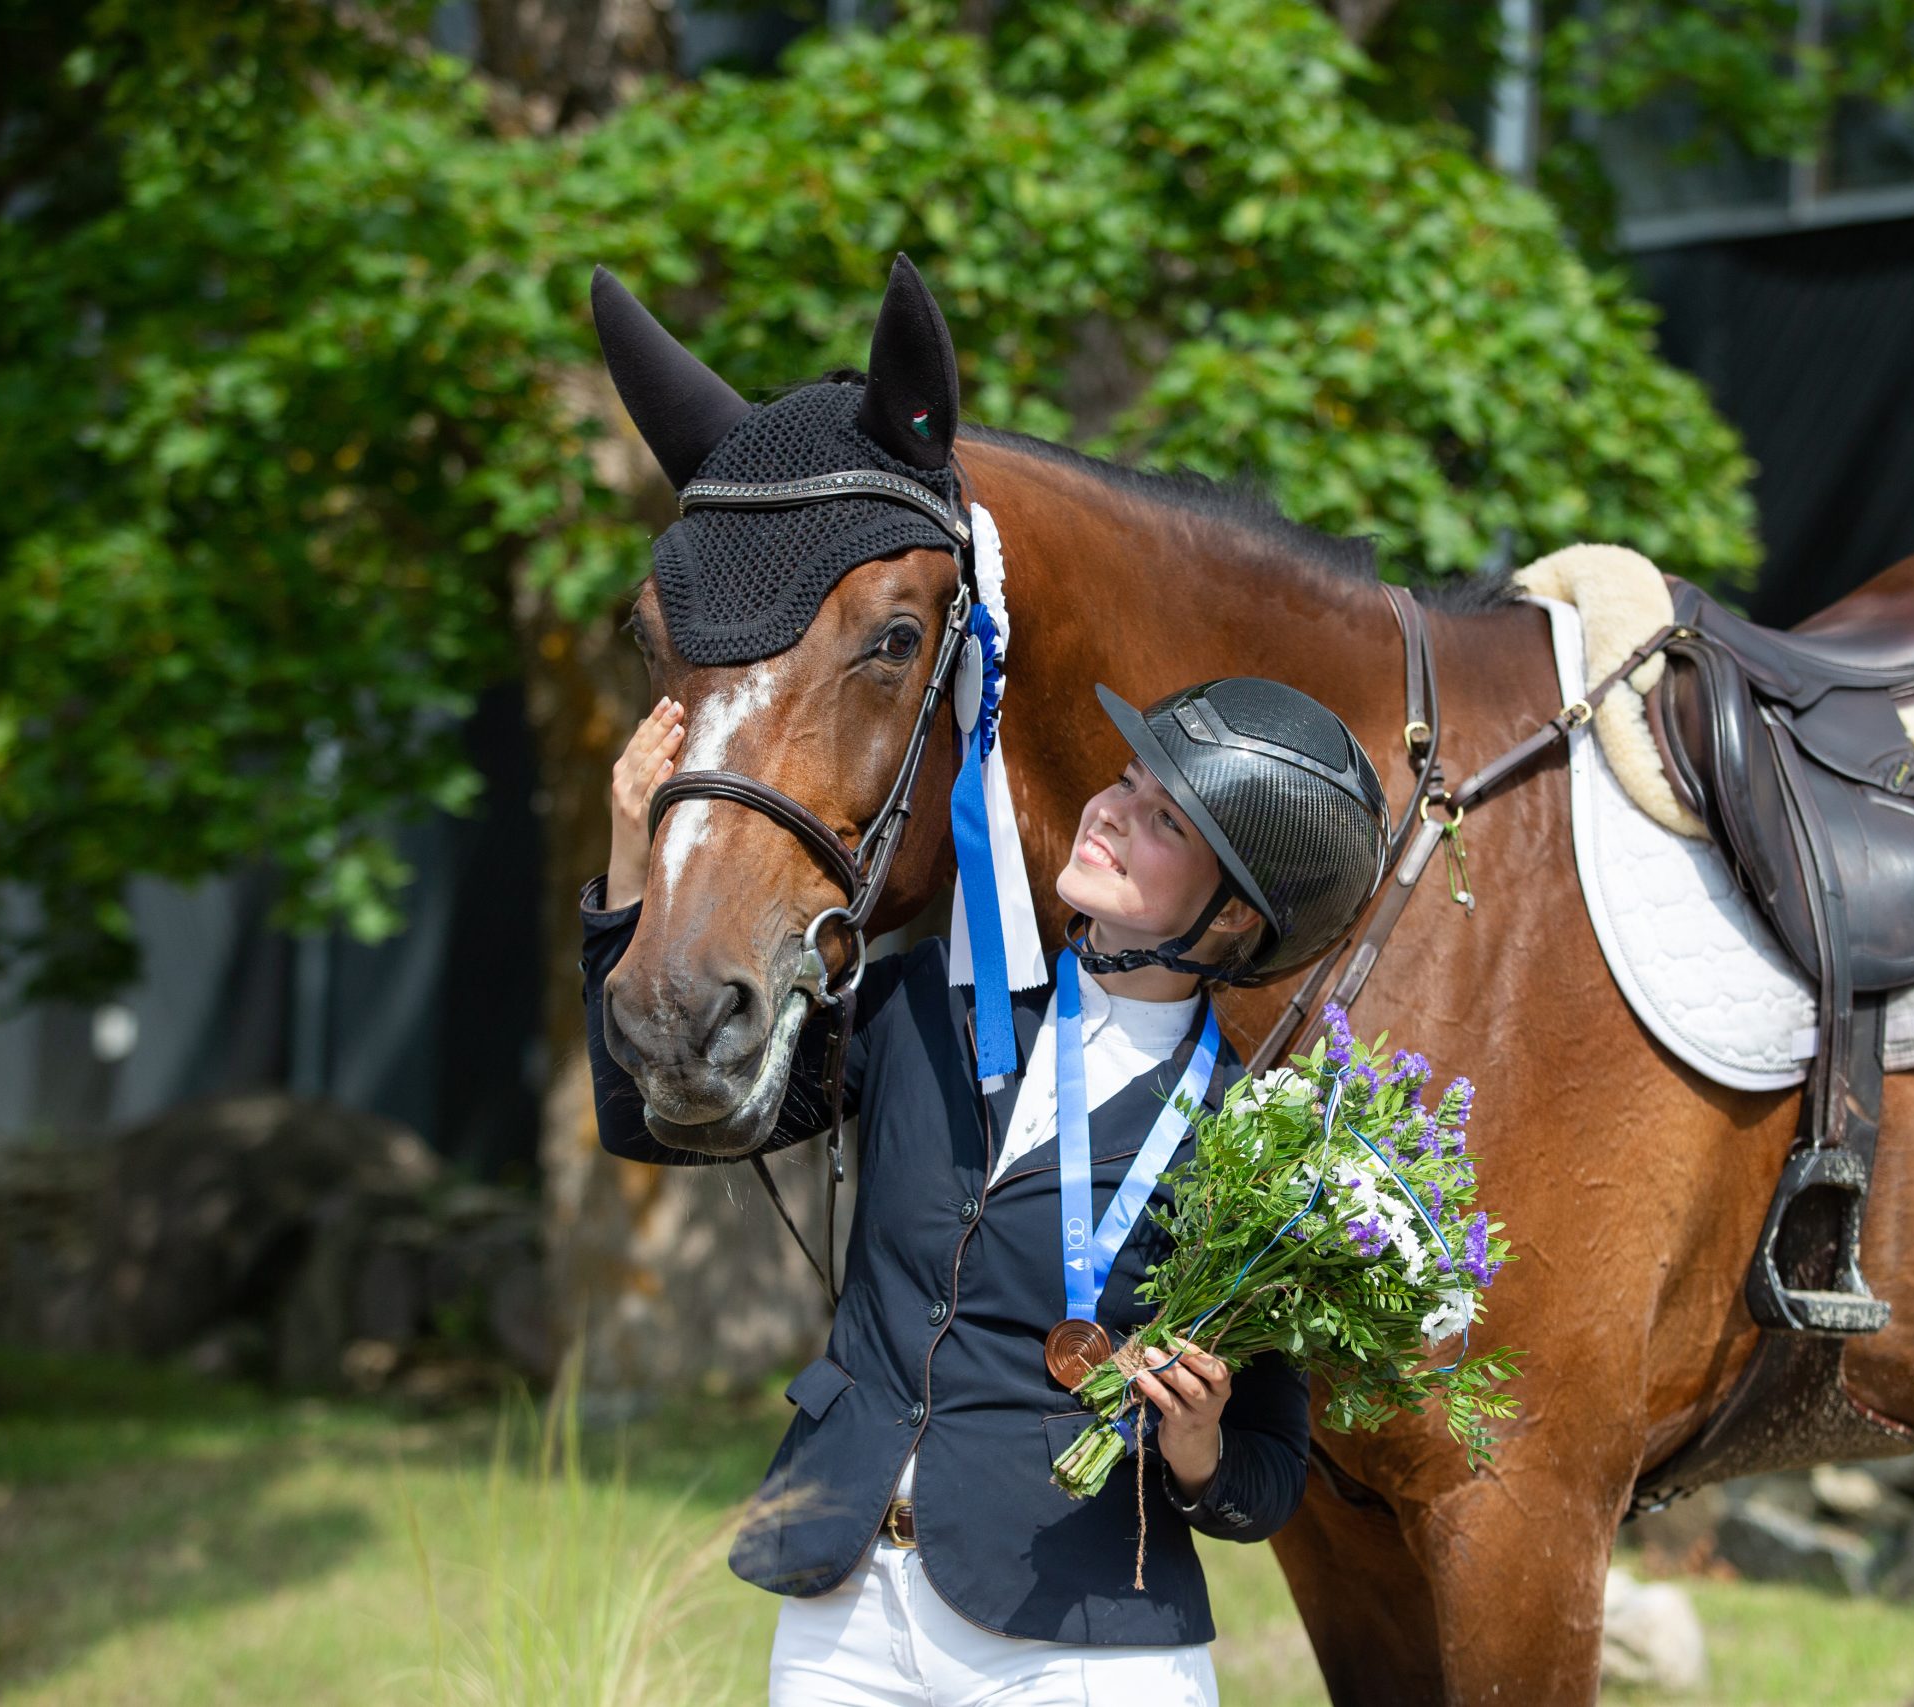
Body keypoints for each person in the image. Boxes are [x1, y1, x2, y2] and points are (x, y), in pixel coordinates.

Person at [579, 674, 1389, 1706]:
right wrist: (629, 856)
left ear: (1231, 918)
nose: (1110, 814)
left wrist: (1197, 1447)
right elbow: (651, 1121)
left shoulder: (1252, 1150)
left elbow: (1264, 1482)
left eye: (1163, 822)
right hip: (841, 1604)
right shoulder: (928, 1000)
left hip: (1077, 1642)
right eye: (1127, 783)